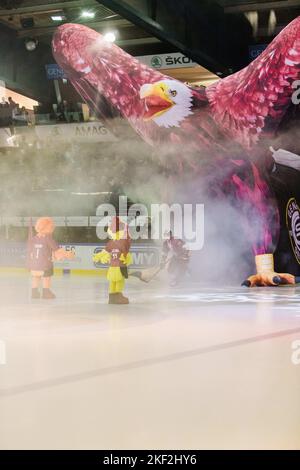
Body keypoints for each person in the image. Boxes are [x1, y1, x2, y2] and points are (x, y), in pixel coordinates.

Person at [27, 217, 74, 299]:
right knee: (46, 278)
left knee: (36, 277)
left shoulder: (33, 239)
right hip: (45, 264)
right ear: (48, 227)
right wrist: (67, 254)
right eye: (51, 227)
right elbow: (57, 249)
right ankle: (46, 292)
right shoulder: (48, 238)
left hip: (34, 264)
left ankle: (34, 292)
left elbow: (30, 251)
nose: (53, 229)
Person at [93, 216, 132, 304]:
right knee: (119, 281)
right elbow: (126, 254)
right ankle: (118, 296)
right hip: (120, 266)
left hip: (112, 267)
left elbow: (104, 252)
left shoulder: (110, 243)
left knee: (112, 281)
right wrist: (126, 258)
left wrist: (98, 256)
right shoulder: (123, 242)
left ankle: (112, 297)